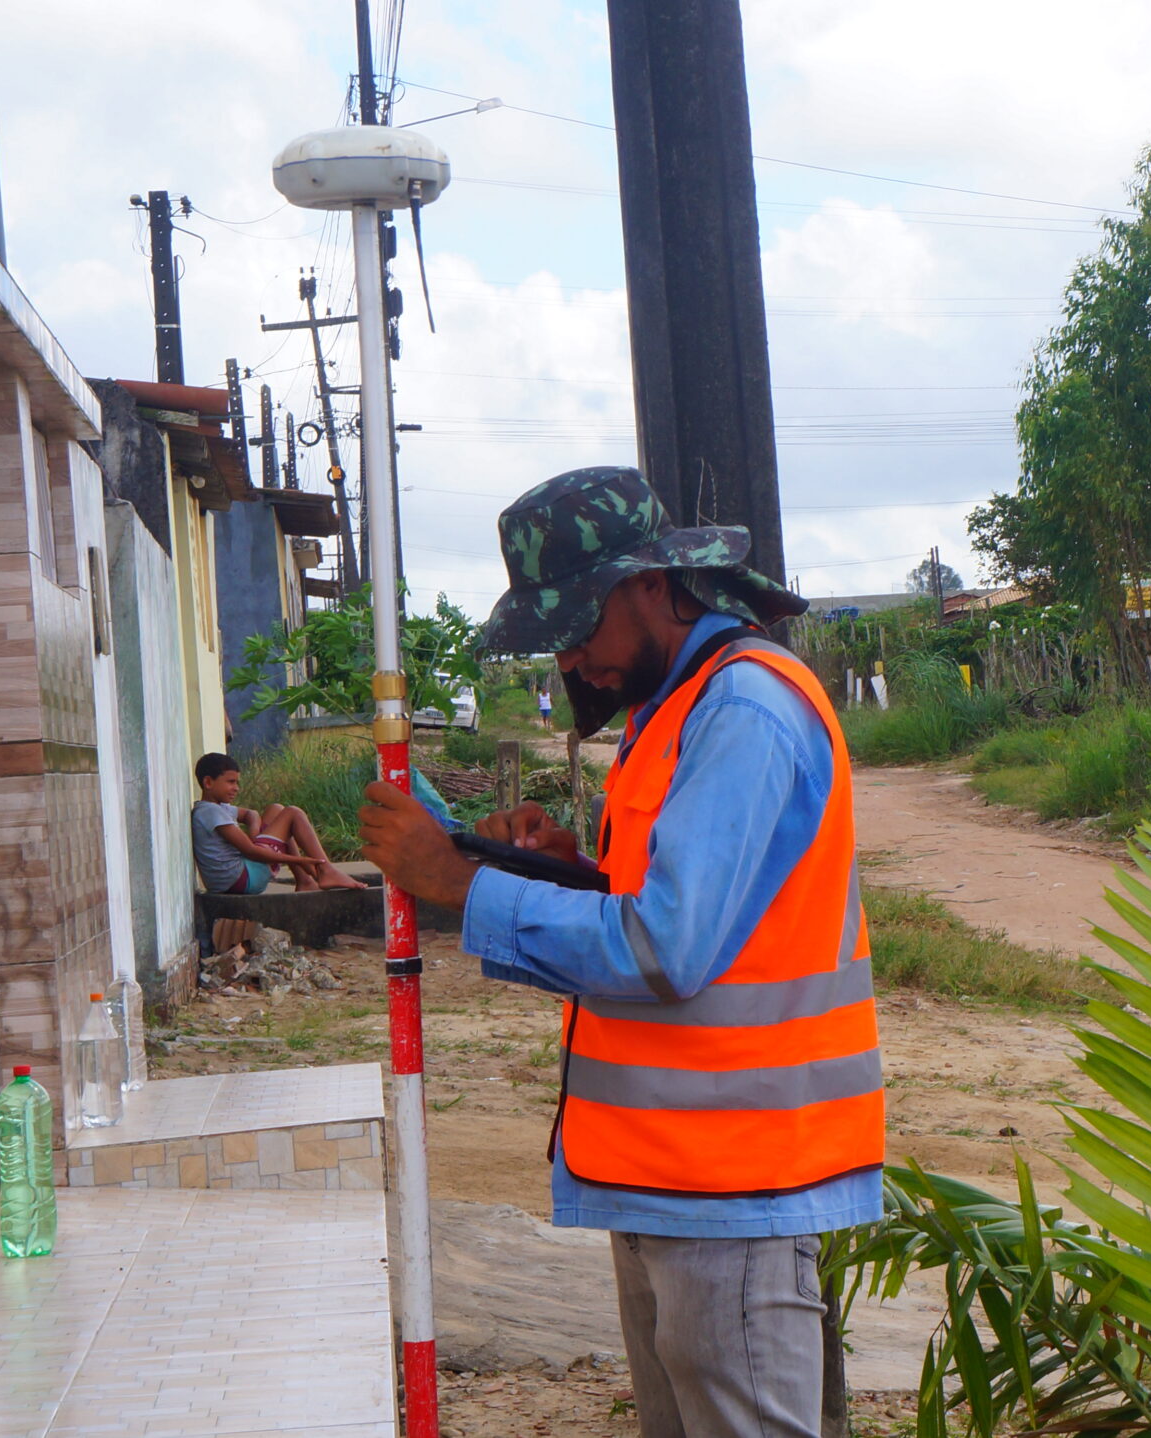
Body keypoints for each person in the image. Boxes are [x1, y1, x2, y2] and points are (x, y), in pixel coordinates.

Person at [358, 466, 873, 1438]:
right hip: (672, 1176)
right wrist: (549, 871)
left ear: (651, 584)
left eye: (578, 622)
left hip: (733, 1179)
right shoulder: (669, 716)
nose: (571, 657)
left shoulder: (741, 714)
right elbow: (669, 917)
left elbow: (664, 948)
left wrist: (464, 884)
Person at [192, 753, 366, 894]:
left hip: (238, 879)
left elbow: (251, 815)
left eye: (237, 782)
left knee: (276, 809)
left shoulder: (218, 807)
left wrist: (254, 833)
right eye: (230, 782)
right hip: (242, 880)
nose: (236, 788)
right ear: (208, 782)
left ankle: (306, 880)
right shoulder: (211, 812)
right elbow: (252, 852)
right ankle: (325, 870)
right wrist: (301, 860)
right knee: (292, 813)